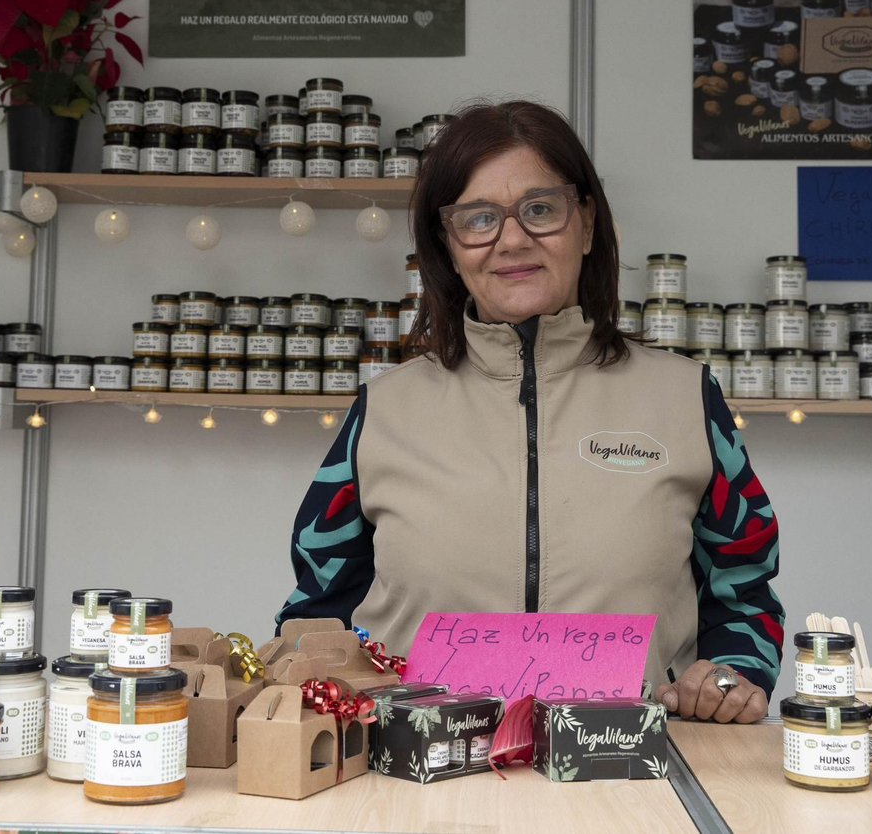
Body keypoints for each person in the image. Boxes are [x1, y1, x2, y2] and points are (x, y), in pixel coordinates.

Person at [276, 100, 783, 723]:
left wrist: (731, 676)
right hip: (416, 780)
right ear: (449, 244)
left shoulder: (683, 398)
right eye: (478, 218)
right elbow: (316, 609)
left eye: (540, 209)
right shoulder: (384, 409)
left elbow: (745, 592)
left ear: (588, 223)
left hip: (627, 772)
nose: (512, 239)